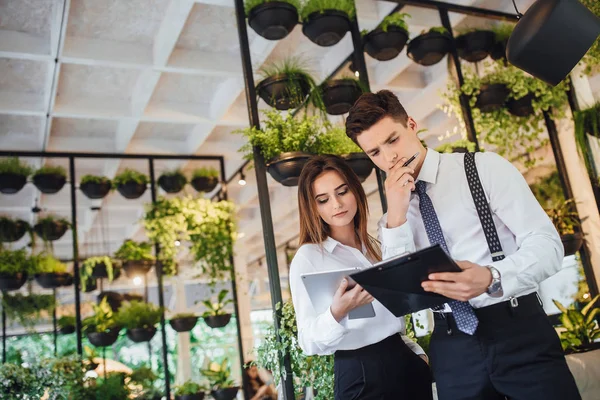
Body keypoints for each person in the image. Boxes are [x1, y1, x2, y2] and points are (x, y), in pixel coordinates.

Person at [344, 89, 581, 400]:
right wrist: (397, 213)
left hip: (518, 330)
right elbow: (403, 296)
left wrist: (492, 277)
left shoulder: (483, 168)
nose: (389, 157)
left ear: (412, 125)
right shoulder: (392, 219)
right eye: (375, 152)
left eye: (393, 140)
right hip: (452, 345)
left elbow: (548, 245)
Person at [289, 154, 433, 400]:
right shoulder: (309, 257)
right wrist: (337, 312)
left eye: (342, 192)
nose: (336, 204)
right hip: (359, 372)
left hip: (404, 360)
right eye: (323, 200)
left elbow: (394, 312)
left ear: (355, 190)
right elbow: (308, 341)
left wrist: (415, 353)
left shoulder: (376, 246)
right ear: (313, 207)